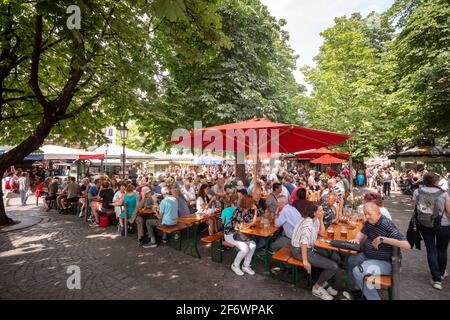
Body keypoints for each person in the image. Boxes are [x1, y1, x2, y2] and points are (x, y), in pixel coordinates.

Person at [346, 202, 410, 300]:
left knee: (358, 271)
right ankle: (358, 289)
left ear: (378, 213)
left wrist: (382, 239)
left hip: (387, 262)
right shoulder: (370, 222)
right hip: (369, 256)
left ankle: (373, 297)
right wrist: (357, 239)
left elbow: (407, 245)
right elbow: (362, 232)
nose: (366, 216)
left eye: (369, 214)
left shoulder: (386, 224)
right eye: (365, 213)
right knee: (351, 260)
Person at [291, 203, 340, 300]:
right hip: (300, 250)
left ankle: (323, 281)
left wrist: (321, 219)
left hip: (310, 247)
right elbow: (303, 242)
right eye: (321, 211)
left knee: (334, 257)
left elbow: (322, 233)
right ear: (314, 213)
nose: (323, 212)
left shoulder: (315, 219)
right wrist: (305, 261)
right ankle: (317, 288)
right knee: (333, 266)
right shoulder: (308, 222)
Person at [412, 173, 450, 290]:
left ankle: (436, 279)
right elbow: (449, 212)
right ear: (436, 182)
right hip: (443, 225)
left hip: (425, 224)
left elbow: (415, 208)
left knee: (431, 250)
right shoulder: (444, 193)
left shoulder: (417, 192)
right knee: (442, 250)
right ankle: (442, 273)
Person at [224, 195, 258, 276]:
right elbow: (241, 226)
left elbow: (253, 222)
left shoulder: (249, 211)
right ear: (248, 203)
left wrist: (256, 210)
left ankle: (246, 266)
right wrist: (249, 224)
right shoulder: (239, 211)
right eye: (252, 202)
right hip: (230, 234)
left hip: (239, 234)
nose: (254, 203)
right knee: (245, 248)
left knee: (253, 245)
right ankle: (235, 265)